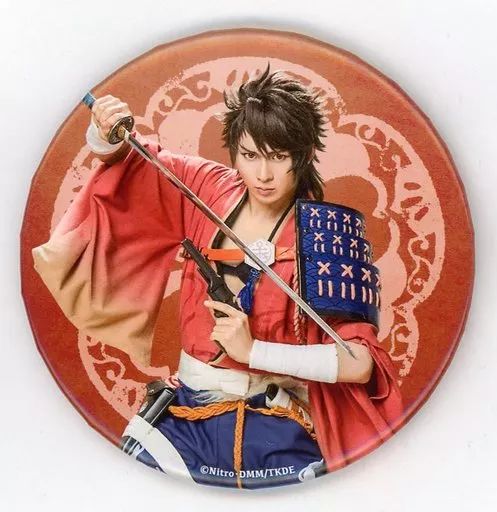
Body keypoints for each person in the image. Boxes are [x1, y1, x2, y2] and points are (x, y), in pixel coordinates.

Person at [32, 64, 403, 490]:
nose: (263, 175)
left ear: (302, 156)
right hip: (184, 419)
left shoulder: (327, 234)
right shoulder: (206, 187)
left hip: (278, 430)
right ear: (234, 151)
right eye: (250, 156)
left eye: (278, 157)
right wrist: (106, 132)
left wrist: (254, 351)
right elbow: (131, 162)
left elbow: (360, 363)